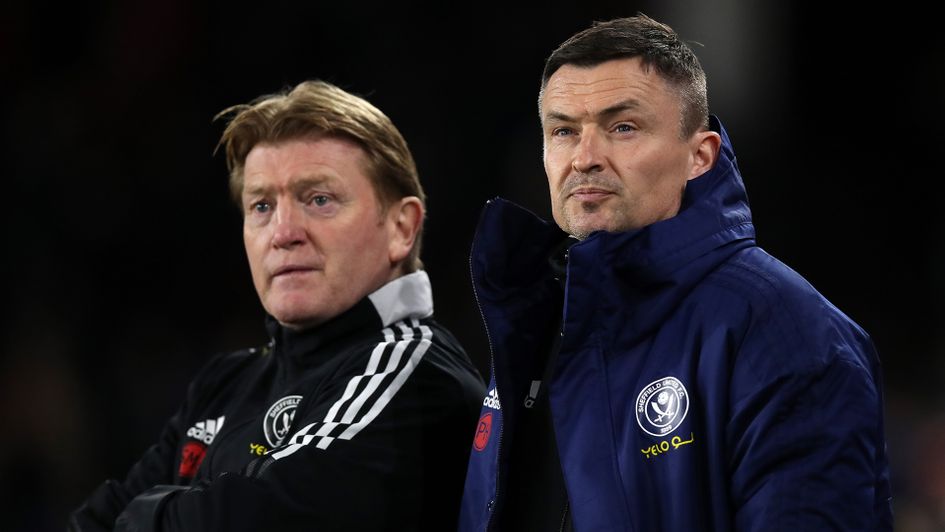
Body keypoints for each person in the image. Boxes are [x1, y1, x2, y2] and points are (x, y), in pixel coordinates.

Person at [459, 14, 892, 531]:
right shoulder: (540, 322)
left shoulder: (785, 330)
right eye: (563, 131)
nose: (585, 158)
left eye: (623, 127)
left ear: (700, 156)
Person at [70, 80, 485, 532]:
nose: (283, 232)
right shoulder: (225, 383)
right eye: (262, 205)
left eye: (319, 200)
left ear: (401, 228)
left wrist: (147, 515)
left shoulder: (413, 371)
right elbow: (94, 520)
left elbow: (261, 520)